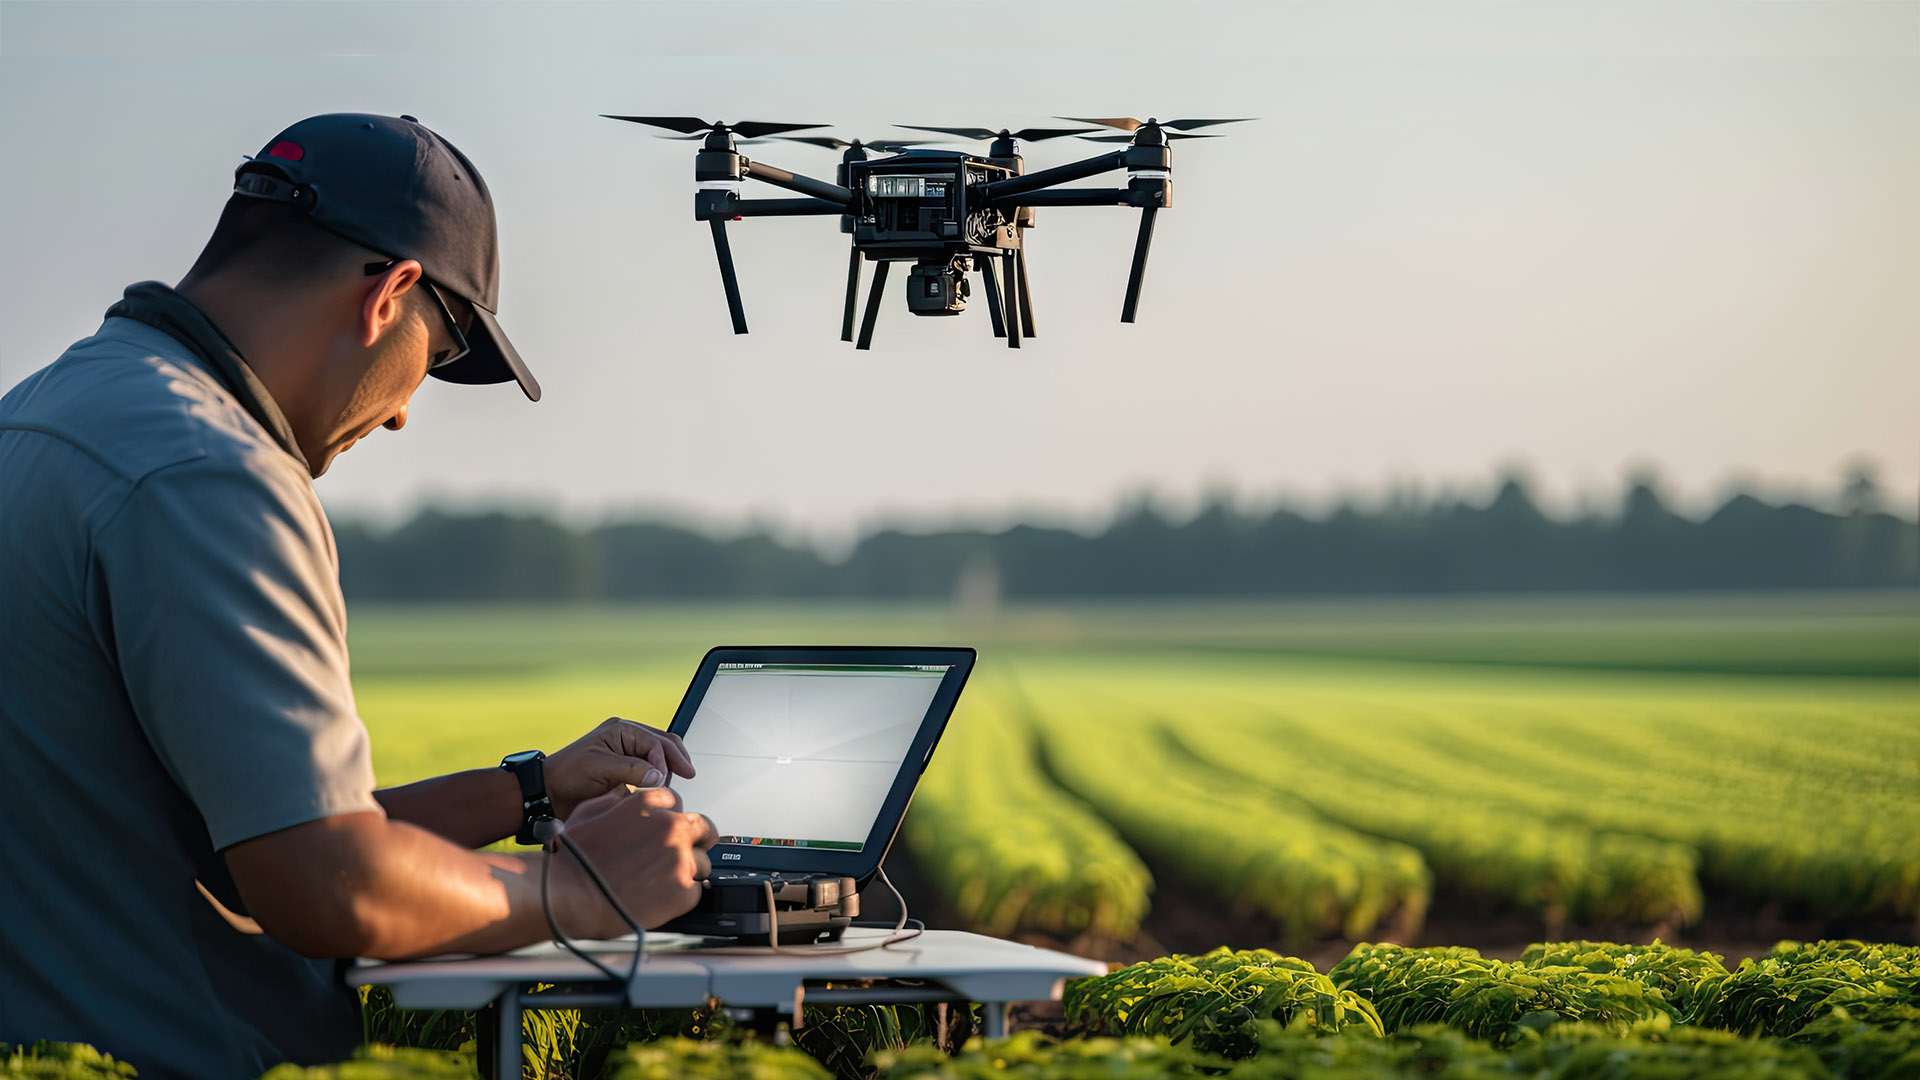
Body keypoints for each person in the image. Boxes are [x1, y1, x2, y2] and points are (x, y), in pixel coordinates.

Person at [0, 113, 718, 1079]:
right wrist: (575, 893)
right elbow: (320, 884)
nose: (406, 408)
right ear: (391, 294)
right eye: (439, 354)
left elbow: (251, 841)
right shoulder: (213, 475)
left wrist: (530, 790)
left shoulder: (43, 415)